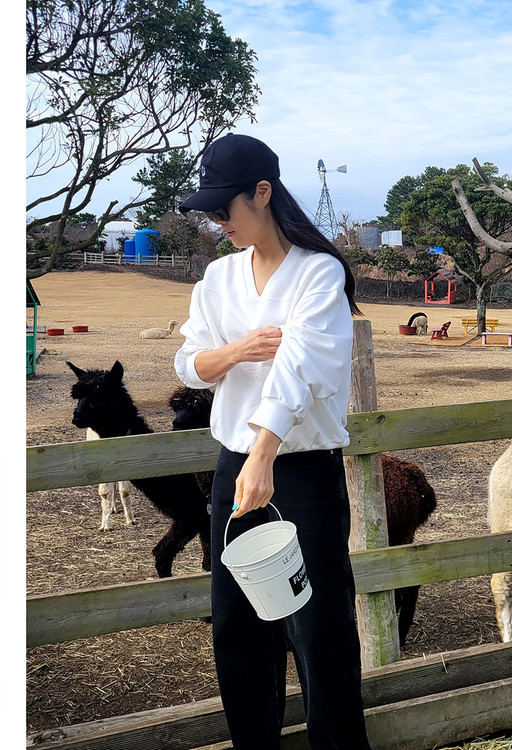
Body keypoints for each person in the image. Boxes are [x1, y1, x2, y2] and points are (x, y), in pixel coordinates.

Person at [174, 133, 372, 750]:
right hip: (234, 464)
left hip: (300, 469)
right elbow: (189, 364)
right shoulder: (217, 277)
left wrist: (264, 456)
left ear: (263, 192)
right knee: (236, 623)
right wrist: (236, 351)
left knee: (318, 626)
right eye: (209, 211)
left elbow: (301, 369)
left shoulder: (318, 272)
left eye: (223, 207)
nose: (217, 221)